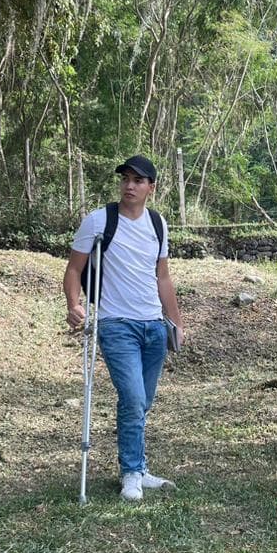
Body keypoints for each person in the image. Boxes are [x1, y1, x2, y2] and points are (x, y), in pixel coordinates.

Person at [62, 155, 185, 502]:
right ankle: (131, 472)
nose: (130, 185)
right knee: (132, 399)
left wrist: (175, 322)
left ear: (151, 188)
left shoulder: (158, 225)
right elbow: (74, 270)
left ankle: (139, 468)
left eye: (138, 180)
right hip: (116, 325)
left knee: (142, 403)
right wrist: (74, 304)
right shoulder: (99, 220)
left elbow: (163, 277)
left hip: (154, 327)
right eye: (126, 179)